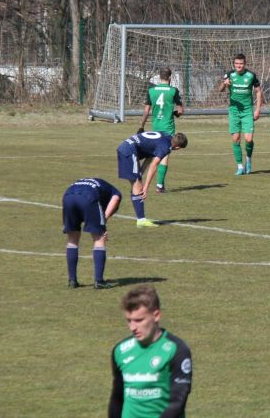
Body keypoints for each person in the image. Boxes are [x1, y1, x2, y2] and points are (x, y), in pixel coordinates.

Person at [109, 285, 192, 418]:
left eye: (139, 320)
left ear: (156, 315)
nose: (132, 327)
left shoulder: (176, 350)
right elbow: (117, 398)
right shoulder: (120, 351)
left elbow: (178, 401)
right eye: (129, 321)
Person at [117, 131, 188, 227]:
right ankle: (141, 220)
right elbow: (154, 165)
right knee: (137, 185)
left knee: (137, 183)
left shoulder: (165, 135)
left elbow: (150, 155)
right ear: (178, 147)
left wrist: (140, 173)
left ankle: (140, 218)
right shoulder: (165, 147)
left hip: (127, 147)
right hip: (129, 151)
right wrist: (146, 187)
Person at [62, 178, 122, 289]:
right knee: (99, 238)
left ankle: (72, 280)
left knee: (72, 239)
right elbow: (116, 198)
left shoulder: (99, 184)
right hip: (88, 197)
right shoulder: (115, 192)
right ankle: (99, 281)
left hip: (68, 196)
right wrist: (103, 223)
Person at [138, 67, 184, 192]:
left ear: (159, 77)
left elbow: (146, 111)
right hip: (168, 128)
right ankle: (159, 186)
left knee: (151, 155)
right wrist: (176, 114)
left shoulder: (151, 90)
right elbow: (181, 110)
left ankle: (139, 178)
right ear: (169, 78)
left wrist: (141, 126)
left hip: (156, 128)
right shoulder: (173, 91)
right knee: (164, 156)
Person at [219, 53, 263, 175]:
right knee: (236, 139)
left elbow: (258, 92)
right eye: (237, 63)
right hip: (234, 111)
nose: (239, 66)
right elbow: (220, 89)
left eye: (241, 64)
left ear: (245, 64)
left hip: (247, 111)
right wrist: (224, 84)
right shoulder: (229, 75)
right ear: (234, 64)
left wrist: (258, 109)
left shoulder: (251, 76)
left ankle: (248, 160)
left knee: (249, 139)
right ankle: (239, 166)